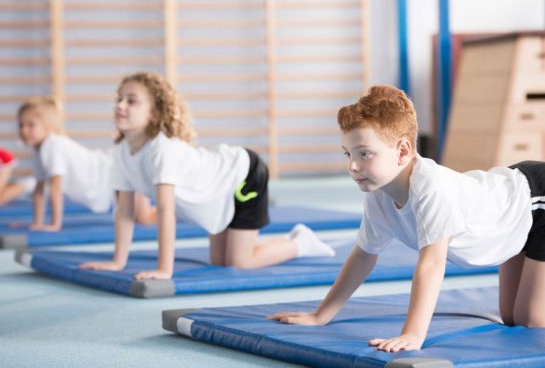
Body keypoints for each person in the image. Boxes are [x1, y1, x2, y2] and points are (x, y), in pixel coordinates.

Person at [268, 84, 545, 353]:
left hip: (536, 200)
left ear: (402, 151)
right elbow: (364, 256)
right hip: (511, 226)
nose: (352, 165)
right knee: (513, 319)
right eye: (348, 153)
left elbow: (432, 264)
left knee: (532, 320)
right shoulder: (379, 194)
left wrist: (413, 333)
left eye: (364, 153)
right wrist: (321, 315)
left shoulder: (430, 188)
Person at [80, 72, 335, 280]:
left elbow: (166, 212)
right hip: (216, 192)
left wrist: (164, 269)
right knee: (220, 262)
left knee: (240, 263)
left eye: (131, 100)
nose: (120, 105)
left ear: (154, 114)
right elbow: (125, 211)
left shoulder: (162, 149)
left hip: (243, 175)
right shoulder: (122, 152)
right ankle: (278, 240)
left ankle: (301, 243)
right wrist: (117, 261)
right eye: (119, 99)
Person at [17, 97, 155, 232]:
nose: (24, 130)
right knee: (135, 218)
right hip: (110, 176)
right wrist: (37, 223)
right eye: (21, 125)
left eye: (31, 125)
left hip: (118, 166)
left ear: (49, 127)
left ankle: (172, 211)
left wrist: (55, 224)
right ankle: (169, 209)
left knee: (143, 218)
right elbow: (39, 190)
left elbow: (55, 188)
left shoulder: (53, 146)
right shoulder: (38, 151)